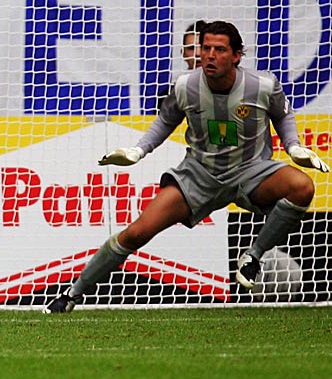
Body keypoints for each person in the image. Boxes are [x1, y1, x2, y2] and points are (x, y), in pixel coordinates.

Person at [44, 20, 330, 313]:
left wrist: (293, 146)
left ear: (236, 56)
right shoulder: (185, 86)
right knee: (137, 232)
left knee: (302, 187)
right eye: (205, 48)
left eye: (219, 49)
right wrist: (137, 151)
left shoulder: (262, 86)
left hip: (251, 171)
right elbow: (165, 121)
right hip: (198, 176)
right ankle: (71, 295)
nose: (209, 55)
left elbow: (283, 116)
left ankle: (253, 257)